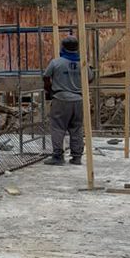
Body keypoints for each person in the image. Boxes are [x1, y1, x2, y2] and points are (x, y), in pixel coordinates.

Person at [43, 35, 94, 166]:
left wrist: (50, 90)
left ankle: (58, 156)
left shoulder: (56, 62)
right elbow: (90, 78)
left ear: (63, 47)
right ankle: (77, 157)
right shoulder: (82, 63)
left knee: (58, 127)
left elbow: (46, 77)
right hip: (78, 99)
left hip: (61, 98)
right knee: (76, 128)